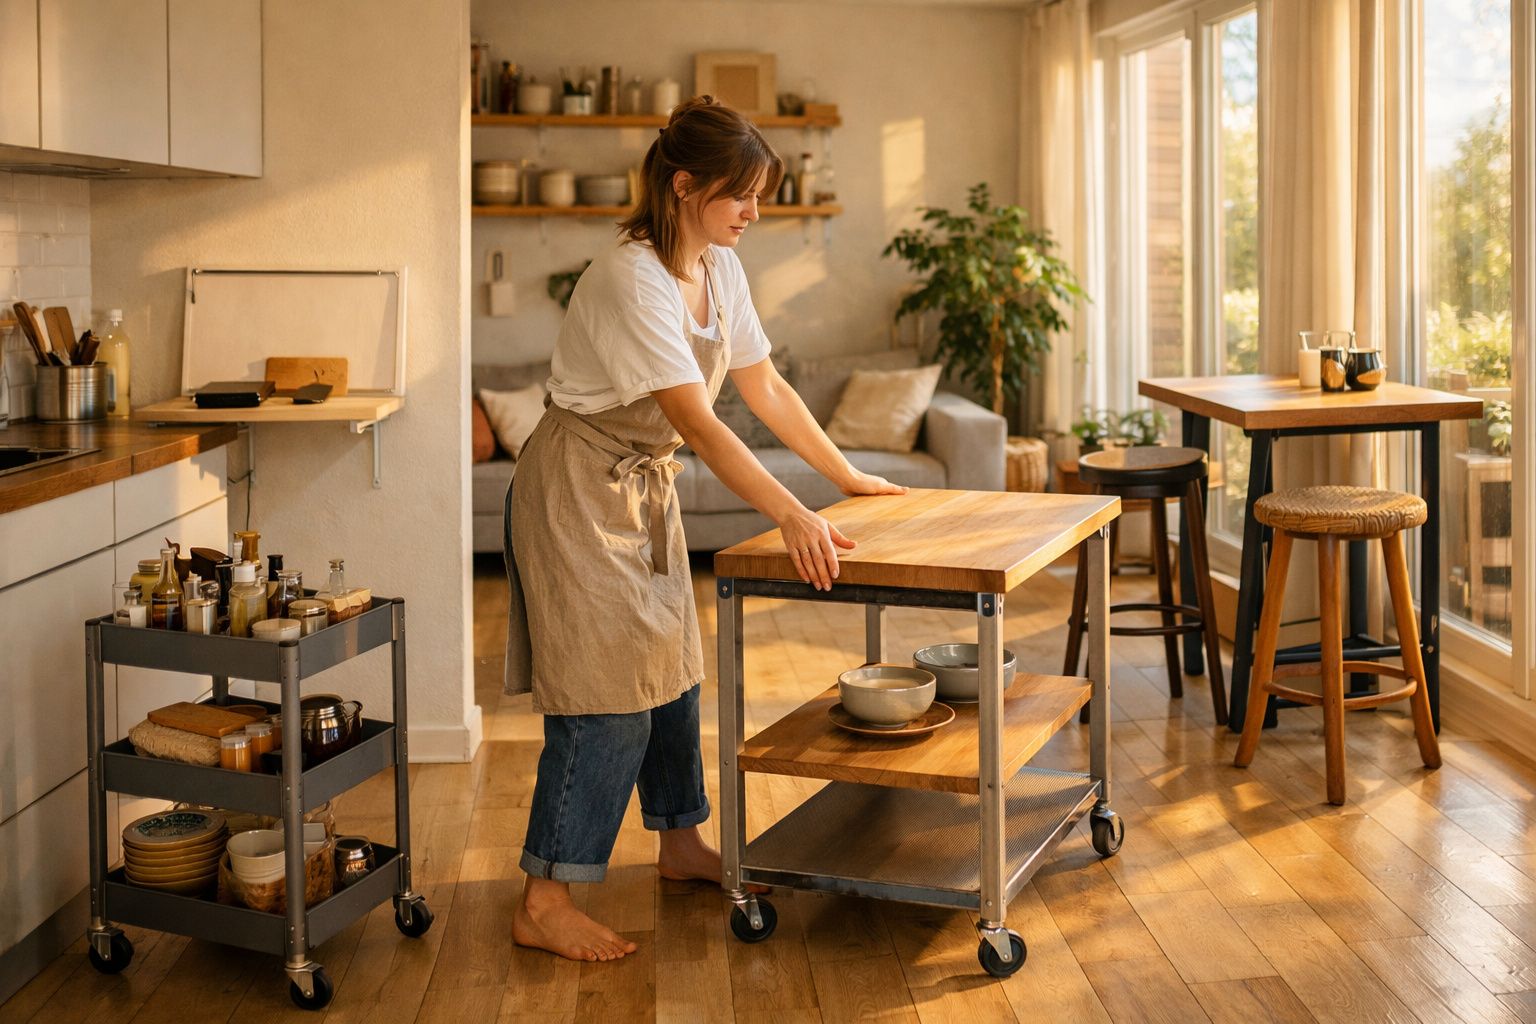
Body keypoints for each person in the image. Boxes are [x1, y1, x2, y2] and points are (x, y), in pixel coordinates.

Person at [502, 96, 905, 963]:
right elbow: (701, 423)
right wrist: (791, 513)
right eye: (740, 194)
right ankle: (544, 898)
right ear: (684, 186)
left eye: (760, 195)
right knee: (604, 697)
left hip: (641, 489)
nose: (754, 212)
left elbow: (767, 388)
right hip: (577, 491)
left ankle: (680, 843)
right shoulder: (631, 278)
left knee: (674, 676)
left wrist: (844, 476)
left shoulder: (719, 267)